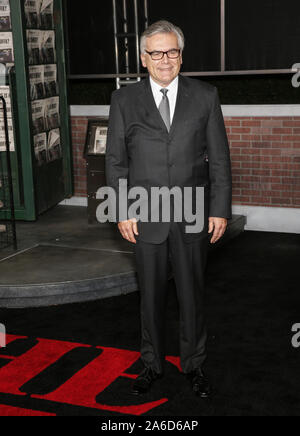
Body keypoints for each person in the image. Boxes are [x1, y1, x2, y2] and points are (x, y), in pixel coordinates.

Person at [105, 20, 232, 398]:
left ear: (181, 55)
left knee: (192, 294)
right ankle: (151, 364)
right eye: (156, 52)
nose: (165, 59)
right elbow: (115, 161)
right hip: (145, 214)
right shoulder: (124, 100)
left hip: (193, 211)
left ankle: (193, 364)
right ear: (144, 58)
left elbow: (220, 160)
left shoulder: (205, 96)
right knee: (150, 296)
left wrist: (220, 209)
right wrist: (122, 209)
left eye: (172, 51)